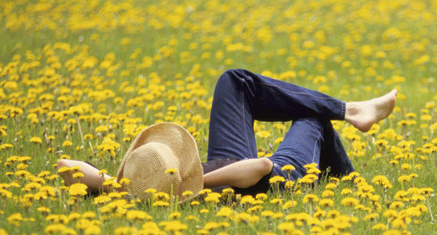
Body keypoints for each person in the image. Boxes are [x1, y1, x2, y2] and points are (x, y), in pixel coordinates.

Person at [57, 69, 397, 201]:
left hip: (219, 162)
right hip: (276, 178)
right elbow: (261, 167)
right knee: (312, 118)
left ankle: (349, 110)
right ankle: (347, 175)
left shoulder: (130, 193)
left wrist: (114, 183)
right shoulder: (194, 189)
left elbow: (65, 165)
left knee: (235, 81)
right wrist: (191, 186)